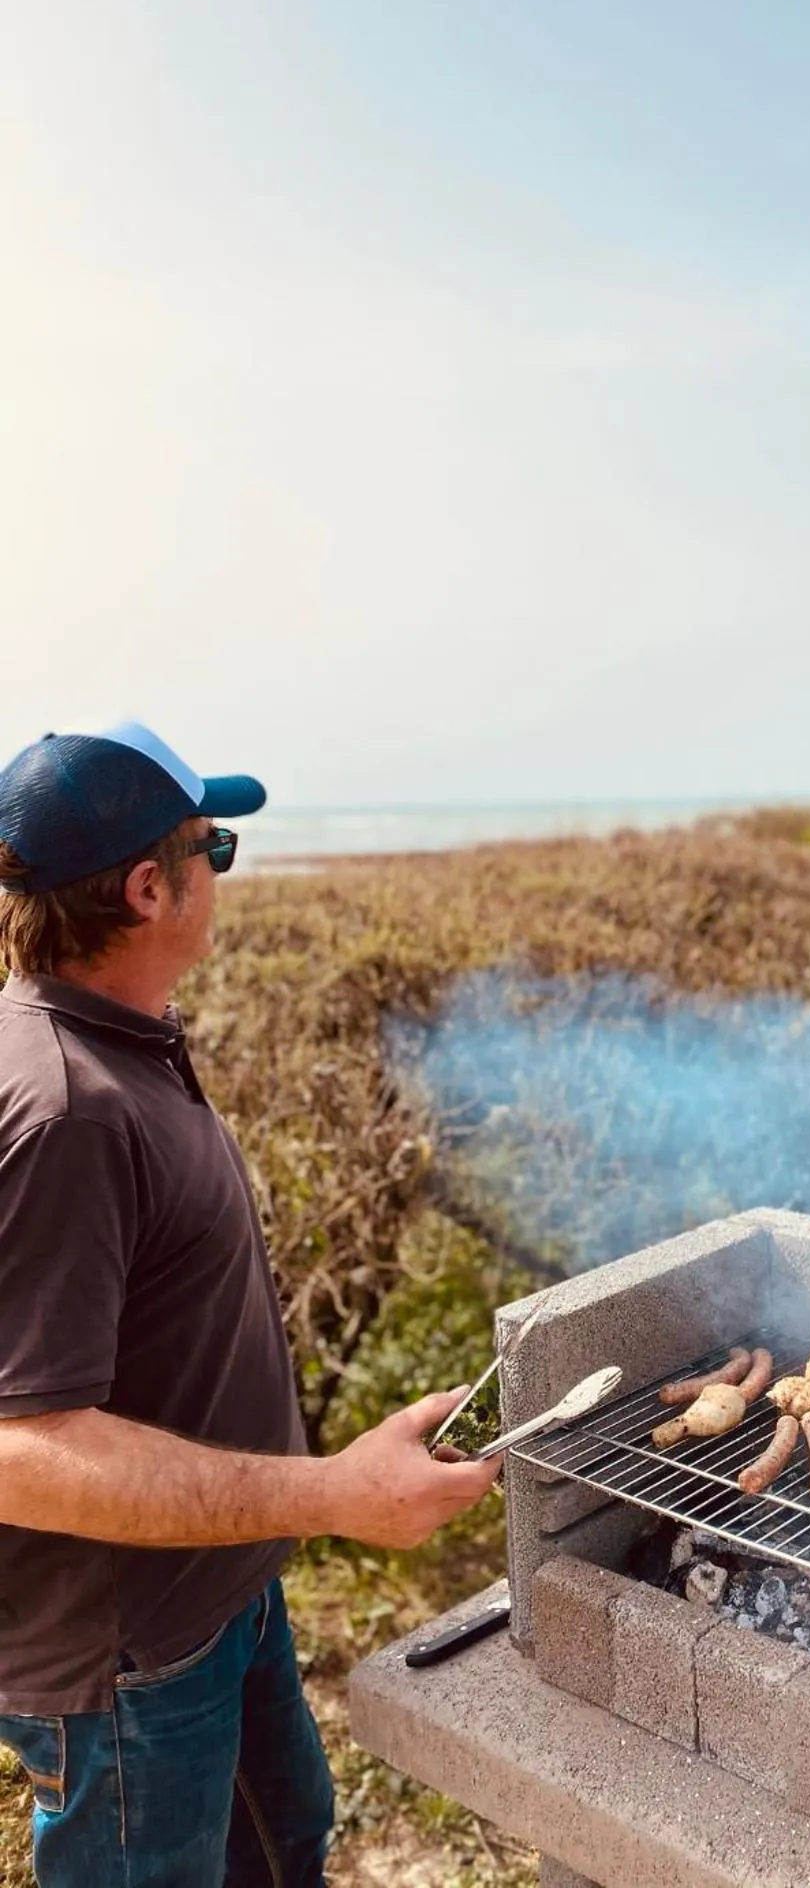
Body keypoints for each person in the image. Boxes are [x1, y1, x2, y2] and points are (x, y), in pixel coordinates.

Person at [0, 722, 502, 1887]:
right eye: (212, 844)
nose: (222, 869)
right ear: (145, 887)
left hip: (222, 1584)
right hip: (132, 1659)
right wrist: (334, 1492)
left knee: (286, 1852)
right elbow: (23, 1447)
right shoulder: (65, 1107)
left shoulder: (123, 1033)